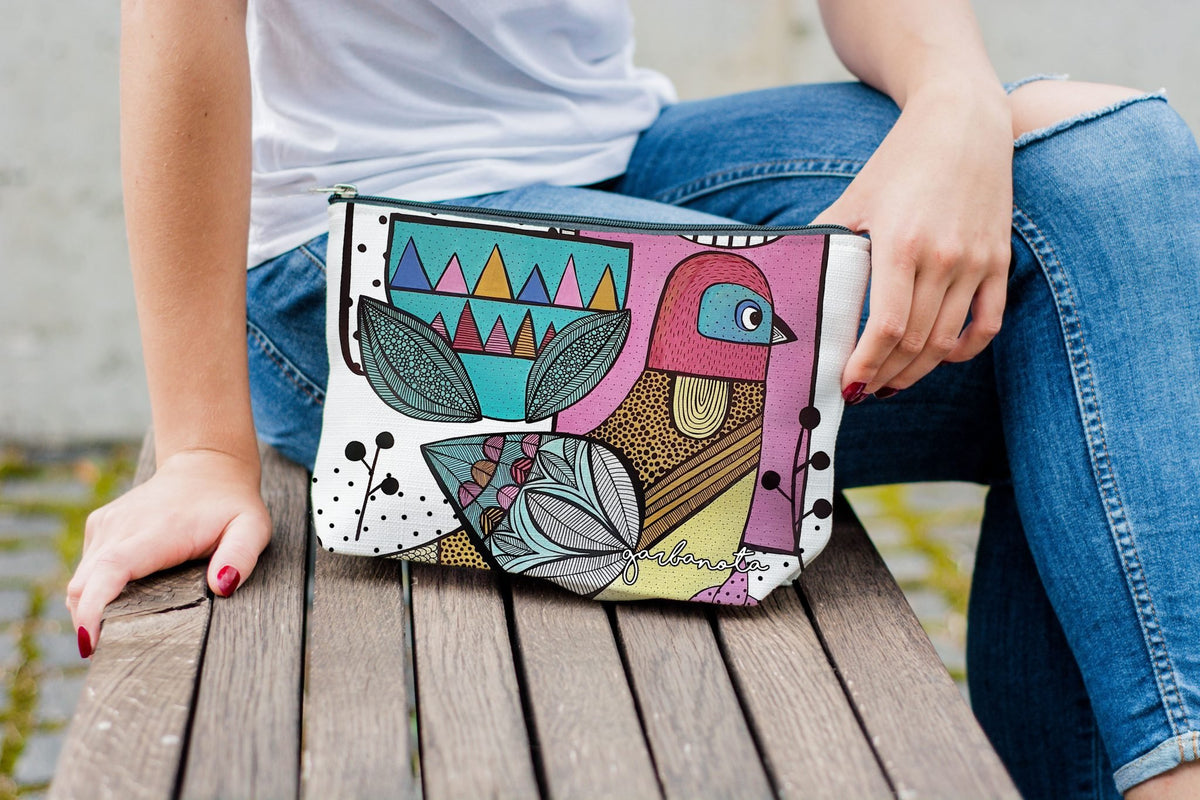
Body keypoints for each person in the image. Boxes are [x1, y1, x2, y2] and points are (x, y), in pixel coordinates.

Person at [70, 1, 1200, 797]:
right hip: (375, 262)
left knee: (1116, 169)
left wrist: (953, 104)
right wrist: (204, 448)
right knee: (1087, 353)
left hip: (618, 158)